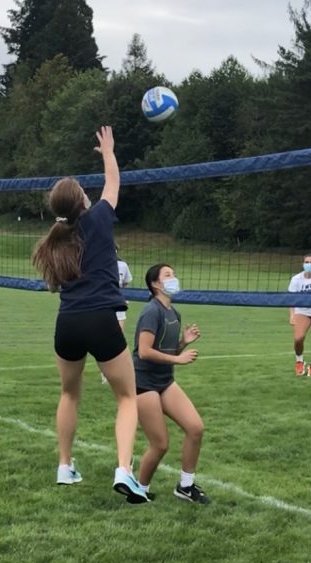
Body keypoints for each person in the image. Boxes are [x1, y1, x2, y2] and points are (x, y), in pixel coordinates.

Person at [32, 125, 148, 503]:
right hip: (101, 319)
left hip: (67, 323)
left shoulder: (59, 236)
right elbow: (113, 183)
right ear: (82, 199)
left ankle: (65, 466)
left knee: (69, 394)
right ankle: (124, 471)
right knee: (127, 398)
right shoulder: (97, 218)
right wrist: (108, 152)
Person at [133, 264, 210, 504]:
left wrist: (183, 343)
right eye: (168, 275)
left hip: (165, 380)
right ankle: (139, 491)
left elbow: (165, 349)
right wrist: (178, 358)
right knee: (160, 444)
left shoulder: (174, 313)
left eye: (174, 274)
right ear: (156, 284)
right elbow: (144, 352)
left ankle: (185, 487)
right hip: (143, 382)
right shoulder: (151, 311)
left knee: (196, 428)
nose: (174, 278)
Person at [101, 247, 133, 384]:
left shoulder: (122, 266)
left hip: (118, 307)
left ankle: (112, 374)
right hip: (101, 307)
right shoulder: (97, 263)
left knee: (117, 339)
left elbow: (125, 283)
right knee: (101, 340)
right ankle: (105, 373)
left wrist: (118, 296)